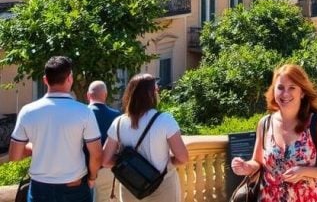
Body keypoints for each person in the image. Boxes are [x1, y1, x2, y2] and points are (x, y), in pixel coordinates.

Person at [231, 64, 317, 202]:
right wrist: (246, 167)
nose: (285, 94)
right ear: (274, 91)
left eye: (292, 88)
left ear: (302, 92)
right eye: (280, 88)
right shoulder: (265, 124)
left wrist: (304, 172)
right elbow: (257, 162)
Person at [9, 56, 102, 202]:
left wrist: (40, 145)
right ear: (70, 79)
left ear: (45, 80)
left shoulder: (27, 111)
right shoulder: (84, 112)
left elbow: (14, 156)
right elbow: (96, 154)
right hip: (74, 187)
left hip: (39, 189)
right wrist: (92, 177)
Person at [101, 74, 189, 202]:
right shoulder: (165, 120)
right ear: (151, 94)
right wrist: (169, 161)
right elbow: (183, 158)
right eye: (156, 90)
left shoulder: (119, 122)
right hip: (162, 186)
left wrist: (125, 161)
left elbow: (106, 161)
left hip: (131, 187)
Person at [87, 81, 120, 146]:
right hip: (110, 155)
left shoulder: (81, 114)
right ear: (106, 95)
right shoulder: (117, 115)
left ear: (88, 95)